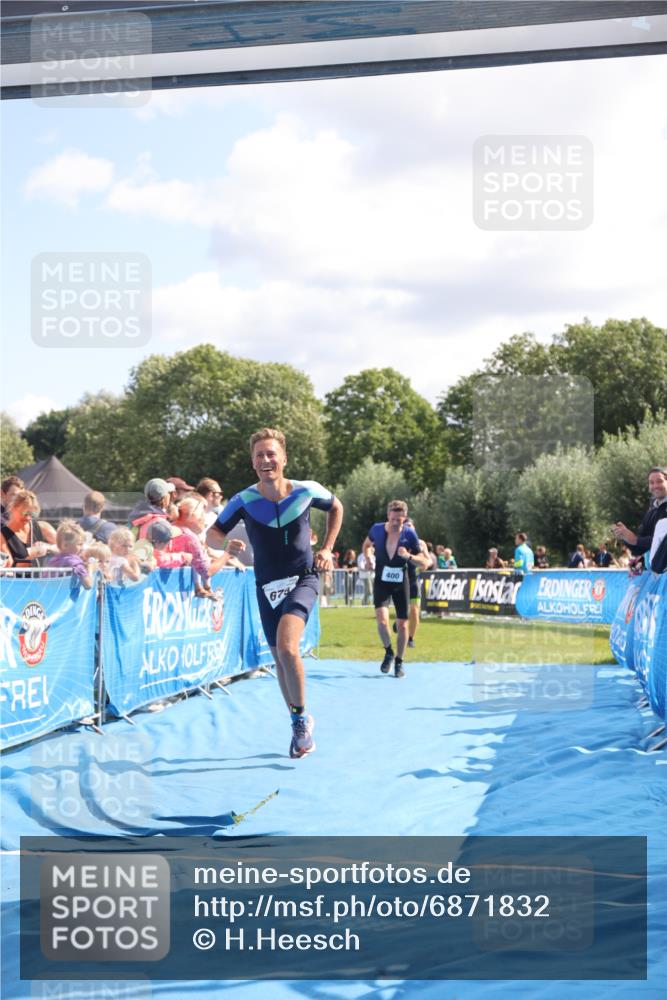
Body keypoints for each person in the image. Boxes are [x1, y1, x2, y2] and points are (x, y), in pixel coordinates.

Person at [207, 427, 343, 758]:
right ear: (252, 462)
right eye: (259, 455)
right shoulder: (244, 500)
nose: (266, 460)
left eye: (271, 454)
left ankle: (300, 723)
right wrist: (226, 545)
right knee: (279, 657)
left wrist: (327, 548)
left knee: (287, 647)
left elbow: (336, 507)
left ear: (284, 458)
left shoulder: (306, 490)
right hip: (266, 586)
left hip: (303, 579)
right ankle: (299, 721)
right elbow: (212, 534)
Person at [362, 500, 429, 678]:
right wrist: (368, 559)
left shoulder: (410, 534)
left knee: (402, 624)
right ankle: (389, 652)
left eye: (399, 520)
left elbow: (424, 562)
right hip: (381, 582)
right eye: (392, 519)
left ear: (404, 518)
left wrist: (408, 556)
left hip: (401, 583)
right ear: (388, 516)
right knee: (382, 621)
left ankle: (399, 661)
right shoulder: (377, 529)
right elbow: (366, 545)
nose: (395, 523)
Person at [170, 496, 233, 597]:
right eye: (201, 514)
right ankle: (202, 587)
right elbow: (207, 571)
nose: (204, 519)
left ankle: (203, 587)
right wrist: (227, 555)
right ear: (192, 517)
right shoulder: (190, 537)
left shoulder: (170, 527)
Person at [612, 467, 667, 558]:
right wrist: (625, 537)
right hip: (656, 567)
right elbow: (639, 549)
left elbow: (663, 541)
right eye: (651, 482)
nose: (655, 486)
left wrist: (636, 540)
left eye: (659, 481)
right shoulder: (651, 512)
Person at [0, 489, 57, 568]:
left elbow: (66, 548)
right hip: (18, 576)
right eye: (24, 513)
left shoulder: (42, 527)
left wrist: (48, 548)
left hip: (43, 576)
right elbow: (8, 567)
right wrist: (32, 553)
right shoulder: (2, 535)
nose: (28, 518)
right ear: (13, 508)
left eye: (31, 514)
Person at [47, 520, 95, 589]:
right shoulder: (75, 563)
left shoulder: (54, 560)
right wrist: (90, 568)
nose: (82, 548)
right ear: (65, 545)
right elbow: (88, 585)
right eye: (79, 544)